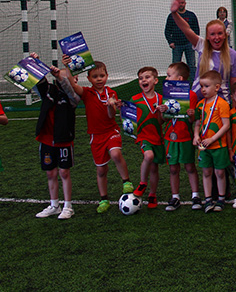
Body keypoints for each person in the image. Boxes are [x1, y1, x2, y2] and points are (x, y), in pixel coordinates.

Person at [61, 57, 133, 213]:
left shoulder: (111, 93)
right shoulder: (87, 93)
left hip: (111, 131)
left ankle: (126, 181)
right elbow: (72, 84)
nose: (99, 79)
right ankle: (104, 199)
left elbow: (111, 115)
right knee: (101, 170)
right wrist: (67, 67)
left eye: (102, 76)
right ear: (89, 78)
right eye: (95, 76)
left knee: (115, 154)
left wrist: (110, 105)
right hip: (96, 136)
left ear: (107, 76)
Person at [32, 54, 78, 219]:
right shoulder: (49, 91)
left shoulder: (72, 97)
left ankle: (68, 206)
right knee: (50, 173)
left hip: (63, 139)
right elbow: (38, 81)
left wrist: (61, 76)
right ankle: (54, 205)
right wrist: (35, 62)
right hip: (46, 139)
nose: (64, 79)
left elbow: (69, 89)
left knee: (64, 172)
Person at [170, 0, 236, 103]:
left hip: (220, 102)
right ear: (207, 36)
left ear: (225, 35)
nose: (216, 37)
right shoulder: (201, 45)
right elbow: (186, 29)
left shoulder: (234, 55)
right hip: (198, 100)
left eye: (220, 33)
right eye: (212, 34)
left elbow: (234, 84)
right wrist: (175, 13)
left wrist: (235, 106)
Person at [160, 62, 201, 211]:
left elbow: (193, 120)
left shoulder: (191, 95)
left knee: (190, 166)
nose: (166, 78)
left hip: (185, 137)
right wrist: (162, 112)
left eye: (169, 75)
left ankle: (195, 196)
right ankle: (175, 197)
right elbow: (164, 120)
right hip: (170, 138)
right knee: (173, 168)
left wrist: (191, 115)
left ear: (180, 79)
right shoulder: (166, 95)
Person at [193, 70, 231, 212]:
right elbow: (198, 123)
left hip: (219, 145)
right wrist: (196, 136)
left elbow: (226, 125)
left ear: (217, 87)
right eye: (202, 86)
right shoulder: (200, 105)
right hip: (204, 146)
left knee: (220, 172)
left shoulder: (222, 104)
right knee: (206, 172)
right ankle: (208, 199)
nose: (203, 89)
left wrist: (213, 139)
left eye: (206, 86)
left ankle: (221, 198)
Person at [131, 66, 165, 210]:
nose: (143, 80)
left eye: (147, 77)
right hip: (143, 136)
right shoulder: (135, 99)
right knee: (148, 156)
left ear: (155, 80)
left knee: (154, 168)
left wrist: (162, 112)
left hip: (157, 137)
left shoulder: (161, 99)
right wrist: (122, 109)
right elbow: (128, 120)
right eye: (141, 78)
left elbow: (162, 121)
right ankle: (143, 183)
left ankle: (152, 194)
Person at [165, 0, 200, 83]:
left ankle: (194, 84)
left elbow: (196, 30)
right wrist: (170, 42)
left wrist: (194, 42)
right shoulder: (171, 16)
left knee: (191, 65)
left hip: (189, 44)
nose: (181, 5)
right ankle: (174, 83)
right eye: (179, 3)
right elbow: (167, 30)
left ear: (185, 3)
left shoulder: (191, 15)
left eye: (182, 3)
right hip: (176, 45)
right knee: (175, 67)